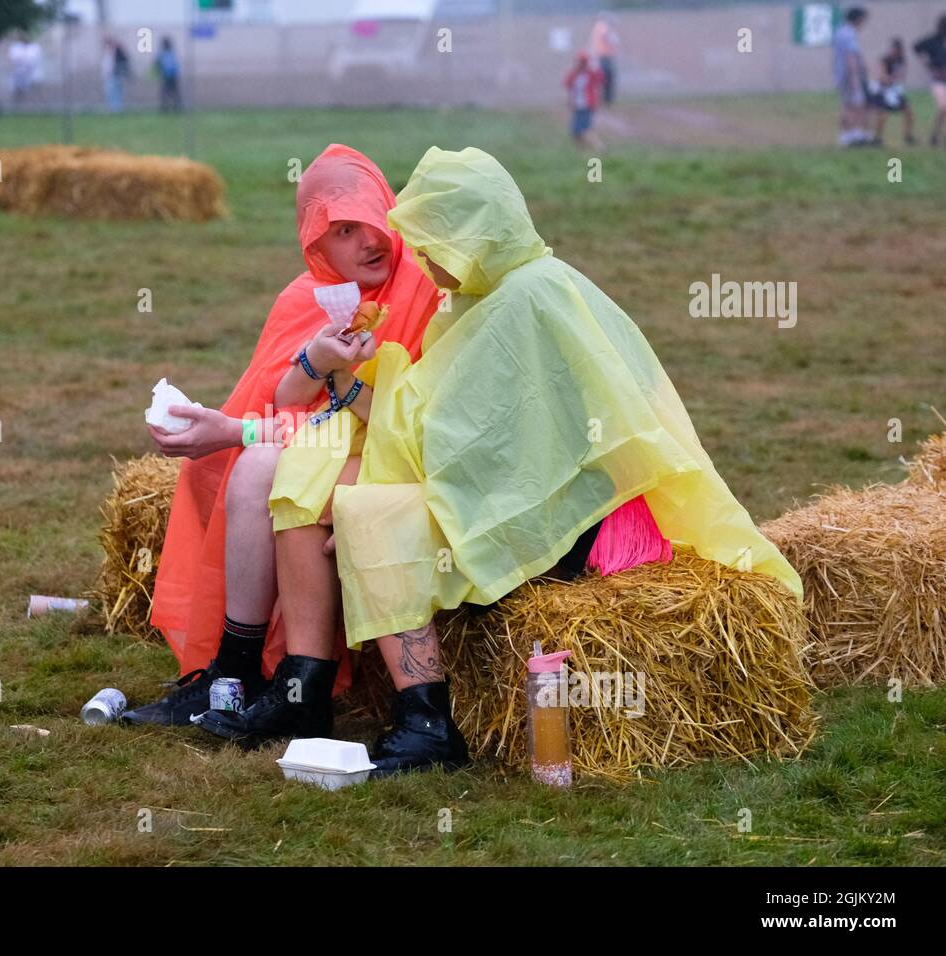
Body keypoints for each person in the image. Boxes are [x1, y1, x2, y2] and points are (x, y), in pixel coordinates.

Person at [200, 147, 804, 775]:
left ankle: (427, 723)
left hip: (560, 514)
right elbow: (441, 430)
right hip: (503, 490)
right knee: (304, 481)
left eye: (435, 244)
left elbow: (457, 441)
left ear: (471, 234)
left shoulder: (529, 299)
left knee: (370, 515)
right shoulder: (482, 298)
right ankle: (308, 689)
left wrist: (349, 387)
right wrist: (346, 380)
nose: (427, 261)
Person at [123, 145, 442, 727]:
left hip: (398, 457)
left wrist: (264, 415)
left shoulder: (422, 287)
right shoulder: (305, 299)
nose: (369, 242)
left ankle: (285, 681)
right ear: (316, 245)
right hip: (328, 447)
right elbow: (291, 408)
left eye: (375, 223)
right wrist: (245, 421)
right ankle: (233, 671)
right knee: (248, 465)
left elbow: (408, 425)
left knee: (269, 465)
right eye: (344, 231)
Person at [833, 7, 874, 148]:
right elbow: (851, 57)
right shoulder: (849, 34)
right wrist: (855, 78)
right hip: (851, 76)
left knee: (848, 105)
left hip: (842, 75)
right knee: (855, 105)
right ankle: (852, 135)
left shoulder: (840, 32)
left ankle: (848, 135)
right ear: (858, 19)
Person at [870, 38, 916, 146]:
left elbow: (902, 75)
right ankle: (877, 138)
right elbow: (882, 77)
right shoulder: (885, 60)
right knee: (883, 114)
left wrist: (896, 79)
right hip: (883, 91)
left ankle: (908, 136)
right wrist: (891, 79)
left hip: (894, 90)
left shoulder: (901, 60)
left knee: (909, 112)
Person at [913, 15, 946, 148]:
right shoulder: (934, 41)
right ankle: (936, 134)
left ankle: (937, 136)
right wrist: (927, 64)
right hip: (938, 79)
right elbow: (917, 47)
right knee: (943, 107)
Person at [564, 51, 604, 152]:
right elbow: (568, 84)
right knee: (575, 131)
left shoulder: (590, 74)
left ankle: (600, 147)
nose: (579, 63)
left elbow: (600, 79)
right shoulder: (574, 74)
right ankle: (581, 150)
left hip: (587, 105)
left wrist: (595, 66)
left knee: (584, 129)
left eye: (581, 62)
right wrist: (570, 101)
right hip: (577, 105)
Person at [589, 14, 620, 106]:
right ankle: (607, 99)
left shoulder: (596, 27)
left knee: (602, 78)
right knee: (607, 78)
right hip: (605, 57)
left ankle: (603, 98)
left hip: (602, 56)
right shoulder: (602, 27)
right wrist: (615, 40)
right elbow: (609, 38)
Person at [8, 33, 43, 105]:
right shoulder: (16, 47)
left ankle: (33, 105)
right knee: (18, 90)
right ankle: (18, 105)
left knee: (33, 90)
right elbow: (13, 59)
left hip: (31, 73)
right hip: (18, 73)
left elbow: (35, 60)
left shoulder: (34, 47)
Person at [102, 37, 132, 113]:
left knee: (114, 92)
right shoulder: (109, 53)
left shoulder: (116, 52)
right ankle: (114, 108)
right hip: (112, 75)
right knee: (112, 92)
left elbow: (113, 65)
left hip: (115, 75)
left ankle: (116, 109)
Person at [156, 37, 183, 113]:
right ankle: (165, 109)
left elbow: (174, 65)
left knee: (174, 93)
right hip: (166, 76)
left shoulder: (169, 53)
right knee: (166, 94)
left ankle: (177, 108)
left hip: (171, 76)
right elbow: (159, 64)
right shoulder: (163, 54)